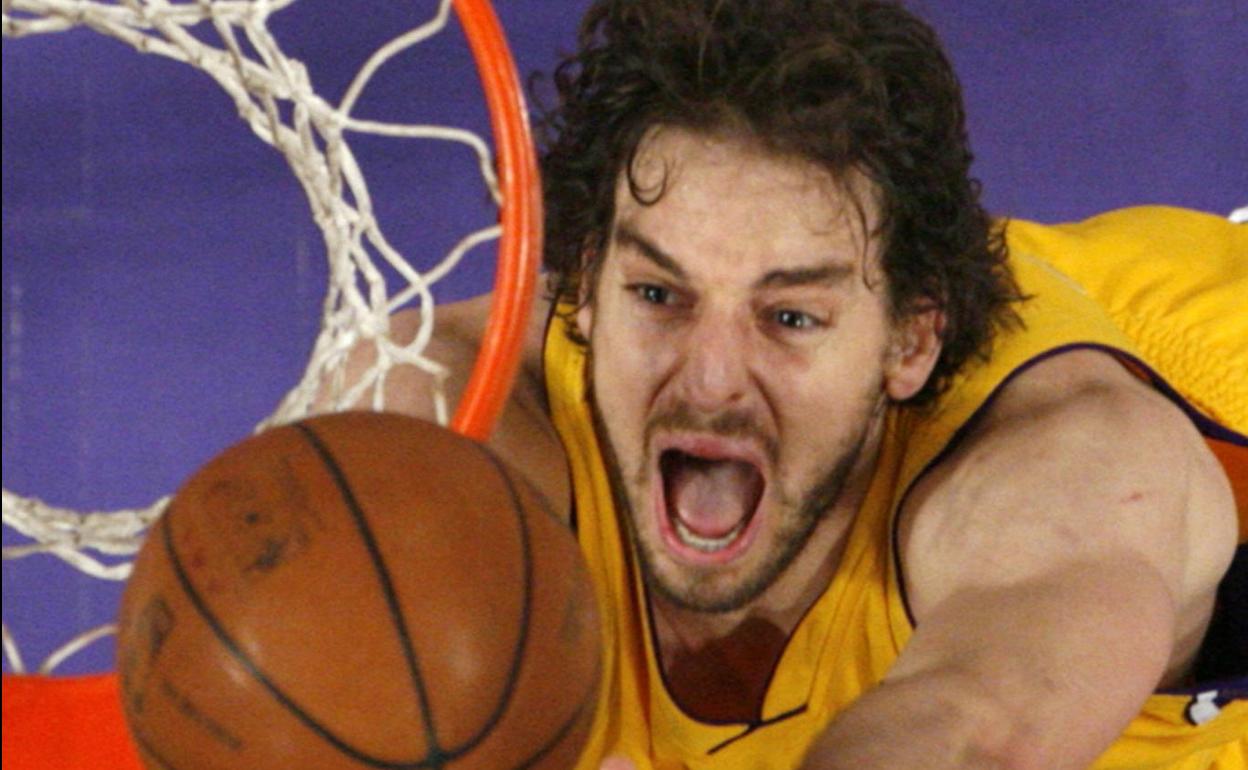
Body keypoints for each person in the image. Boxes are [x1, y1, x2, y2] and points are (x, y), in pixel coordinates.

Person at [373, 0, 1247, 767]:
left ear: (912, 343)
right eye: (658, 293)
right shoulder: (441, 413)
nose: (709, 383)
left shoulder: (1069, 472)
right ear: (587, 285)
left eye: (788, 317)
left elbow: (968, 731)